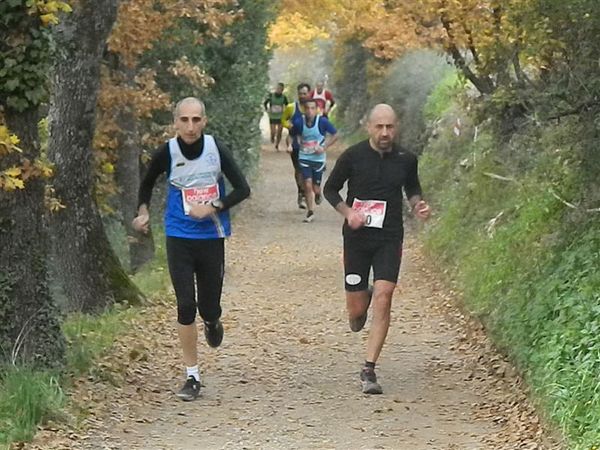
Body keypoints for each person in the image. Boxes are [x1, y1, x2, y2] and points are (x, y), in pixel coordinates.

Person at [132, 97, 250, 401]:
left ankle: (212, 320)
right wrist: (143, 211)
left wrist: (214, 206)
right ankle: (192, 375)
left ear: (204, 121)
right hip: (179, 236)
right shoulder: (167, 152)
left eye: (196, 120)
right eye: (184, 120)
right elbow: (146, 184)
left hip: (211, 238)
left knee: (207, 306)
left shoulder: (215, 149)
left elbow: (242, 188)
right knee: (185, 305)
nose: (190, 126)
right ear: (175, 123)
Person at [323, 104, 431, 395]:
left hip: (389, 237)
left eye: (390, 127)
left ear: (396, 128)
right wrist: (348, 213)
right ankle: (362, 299)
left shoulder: (407, 159)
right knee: (357, 314)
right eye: (379, 127)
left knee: (385, 296)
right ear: (369, 127)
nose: (385, 133)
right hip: (357, 239)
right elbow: (330, 189)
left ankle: (369, 368)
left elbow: (412, 188)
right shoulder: (353, 156)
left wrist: (418, 205)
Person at [291, 97, 338, 223]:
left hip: (318, 159)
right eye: (307, 109)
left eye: (312, 108)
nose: (310, 111)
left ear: (317, 110)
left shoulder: (322, 122)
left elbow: (335, 134)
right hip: (304, 157)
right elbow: (292, 135)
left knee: (315, 187)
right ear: (304, 110)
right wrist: (291, 144)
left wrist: (324, 147)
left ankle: (318, 193)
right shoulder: (299, 122)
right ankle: (310, 211)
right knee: (307, 184)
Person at [281, 82, 311, 209]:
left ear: (309, 94)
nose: (302, 96)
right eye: (300, 94)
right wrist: (289, 126)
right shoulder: (291, 107)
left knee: (310, 170)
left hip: (310, 143)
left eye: (304, 93)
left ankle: (309, 191)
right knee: (299, 169)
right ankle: (301, 193)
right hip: (295, 143)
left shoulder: (313, 108)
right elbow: (283, 120)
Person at [263, 82, 288, 151]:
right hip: (272, 116)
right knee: (273, 131)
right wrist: (267, 109)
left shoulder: (284, 97)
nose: (278, 90)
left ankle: (277, 144)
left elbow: (287, 105)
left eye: (280, 89)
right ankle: (272, 137)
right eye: (277, 88)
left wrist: (286, 111)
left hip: (281, 116)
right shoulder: (271, 95)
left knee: (279, 132)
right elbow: (265, 103)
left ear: (282, 90)